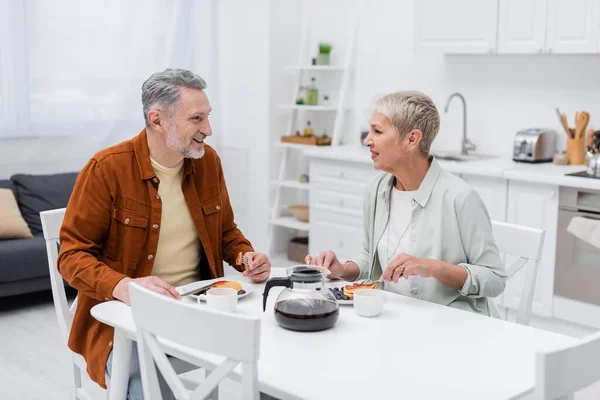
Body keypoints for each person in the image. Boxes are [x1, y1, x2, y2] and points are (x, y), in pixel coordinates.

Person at [58, 68, 272, 399]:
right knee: (148, 386)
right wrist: (124, 286)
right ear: (157, 120)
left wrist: (246, 257)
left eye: (208, 117)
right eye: (196, 119)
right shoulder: (106, 169)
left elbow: (226, 231)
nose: (209, 130)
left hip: (198, 308)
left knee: (269, 363)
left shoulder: (207, 162)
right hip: (123, 322)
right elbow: (71, 257)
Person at [305, 90, 506, 317]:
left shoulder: (460, 197)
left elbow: (495, 279)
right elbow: (371, 257)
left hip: (450, 325)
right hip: (395, 316)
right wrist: (342, 269)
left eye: (377, 131)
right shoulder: (377, 189)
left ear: (412, 139)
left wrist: (433, 267)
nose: (367, 140)